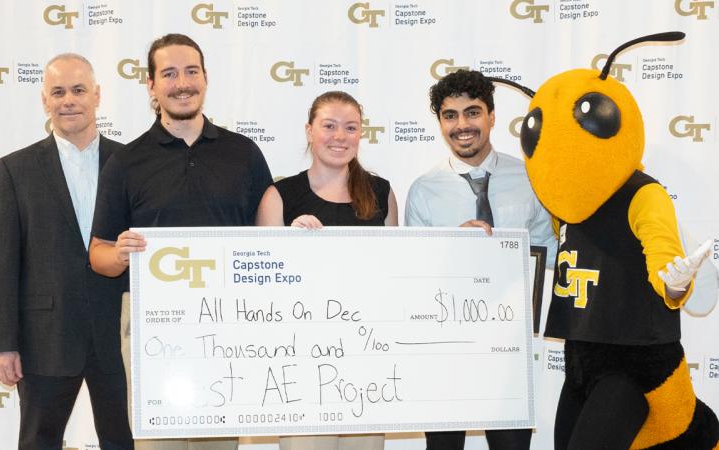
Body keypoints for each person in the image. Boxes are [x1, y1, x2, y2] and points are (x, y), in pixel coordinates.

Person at [88, 34, 272, 450]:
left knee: (219, 444)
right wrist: (117, 254)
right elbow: (98, 255)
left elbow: (269, 242)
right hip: (154, 327)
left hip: (229, 325)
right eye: (169, 74)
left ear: (205, 78)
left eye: (191, 71)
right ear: (151, 85)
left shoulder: (244, 153)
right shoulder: (126, 162)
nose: (182, 83)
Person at [0, 53, 133, 450]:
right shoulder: (17, 169)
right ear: (44, 101)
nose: (69, 100)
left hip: (118, 334)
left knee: (125, 442)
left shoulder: (132, 163)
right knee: (38, 442)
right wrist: (2, 342)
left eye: (79, 90)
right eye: (58, 91)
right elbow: (1, 263)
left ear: (98, 96)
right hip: (44, 336)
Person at [404, 69, 556, 450]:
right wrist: (456, 249)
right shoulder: (423, 190)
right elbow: (414, 275)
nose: (462, 125)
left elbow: (549, 255)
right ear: (439, 122)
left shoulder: (531, 179)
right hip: (442, 350)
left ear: (492, 116)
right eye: (450, 115)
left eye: (472, 112)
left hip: (510, 350)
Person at [256, 90, 397, 450]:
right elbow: (260, 288)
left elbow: (394, 277)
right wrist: (289, 246)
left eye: (350, 127)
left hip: (367, 365)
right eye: (329, 126)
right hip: (300, 366)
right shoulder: (281, 195)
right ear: (309, 130)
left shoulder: (382, 194)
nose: (340, 136)